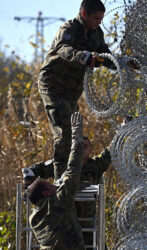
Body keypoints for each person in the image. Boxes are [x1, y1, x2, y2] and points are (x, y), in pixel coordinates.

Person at [38, 0, 115, 182]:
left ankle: (72, 180)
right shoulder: (68, 29)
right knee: (64, 135)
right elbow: (63, 50)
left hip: (72, 91)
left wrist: (123, 63)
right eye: (96, 18)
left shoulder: (96, 34)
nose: (99, 22)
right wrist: (84, 56)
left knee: (76, 136)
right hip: (53, 85)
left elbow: (105, 55)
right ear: (84, 15)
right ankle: (61, 185)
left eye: (101, 19)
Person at [23, 136, 111, 246]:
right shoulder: (60, 165)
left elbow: (110, 151)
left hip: (87, 222)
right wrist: (29, 187)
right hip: (64, 222)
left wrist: (123, 129)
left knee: (96, 245)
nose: (82, 148)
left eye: (85, 145)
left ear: (90, 150)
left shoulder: (96, 164)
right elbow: (32, 170)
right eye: (79, 145)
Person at [27, 112, 85, 249]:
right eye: (50, 185)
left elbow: (33, 192)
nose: (55, 185)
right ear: (46, 193)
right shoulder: (58, 203)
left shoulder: (33, 218)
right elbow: (73, 170)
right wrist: (77, 139)